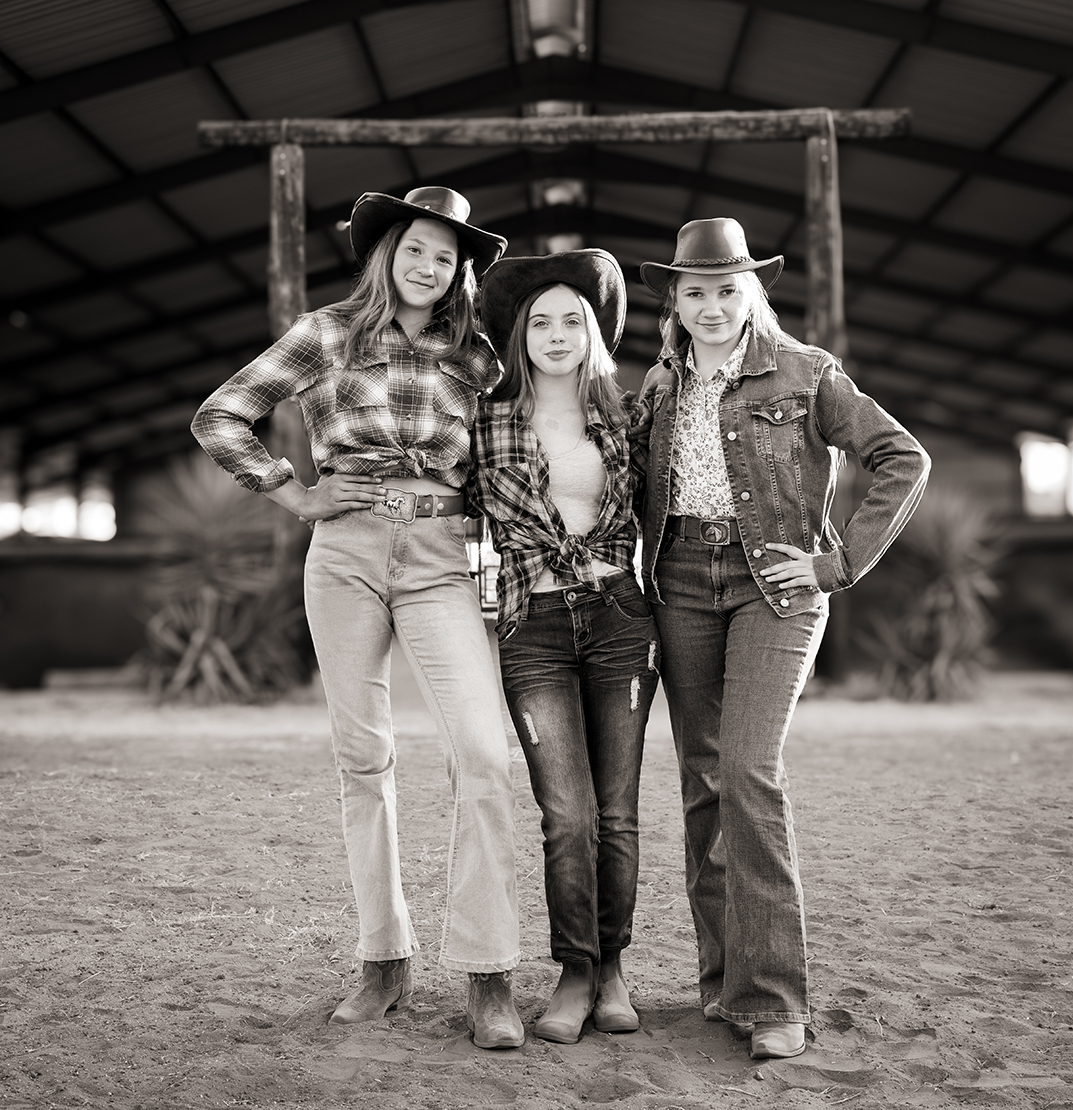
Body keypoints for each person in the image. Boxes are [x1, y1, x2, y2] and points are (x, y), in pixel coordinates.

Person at [191, 187, 525, 1049]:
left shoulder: (478, 356)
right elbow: (221, 413)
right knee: (363, 759)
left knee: (484, 754)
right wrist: (293, 492)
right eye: (416, 248)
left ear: (460, 272)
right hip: (343, 552)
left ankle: (488, 973)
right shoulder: (327, 332)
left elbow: (507, 458)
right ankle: (384, 960)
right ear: (388, 252)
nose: (428, 266)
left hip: (443, 555)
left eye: (445, 257)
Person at [636, 218, 930, 1059]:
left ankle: (774, 1000)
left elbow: (901, 457)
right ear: (676, 302)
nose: (714, 304)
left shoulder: (805, 371)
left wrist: (837, 564)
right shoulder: (658, 386)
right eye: (696, 291)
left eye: (729, 288)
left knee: (746, 769)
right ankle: (723, 982)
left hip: (777, 584)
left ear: (752, 292)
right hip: (681, 583)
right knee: (700, 779)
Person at [470, 249, 660, 1044]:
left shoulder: (630, 419)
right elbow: (445, 515)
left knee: (616, 813)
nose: (555, 333)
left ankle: (612, 969)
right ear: (518, 335)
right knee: (566, 813)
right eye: (538, 321)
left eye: (570, 320)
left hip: (620, 618)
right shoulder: (484, 419)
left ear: (594, 333)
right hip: (534, 624)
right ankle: (574, 971)